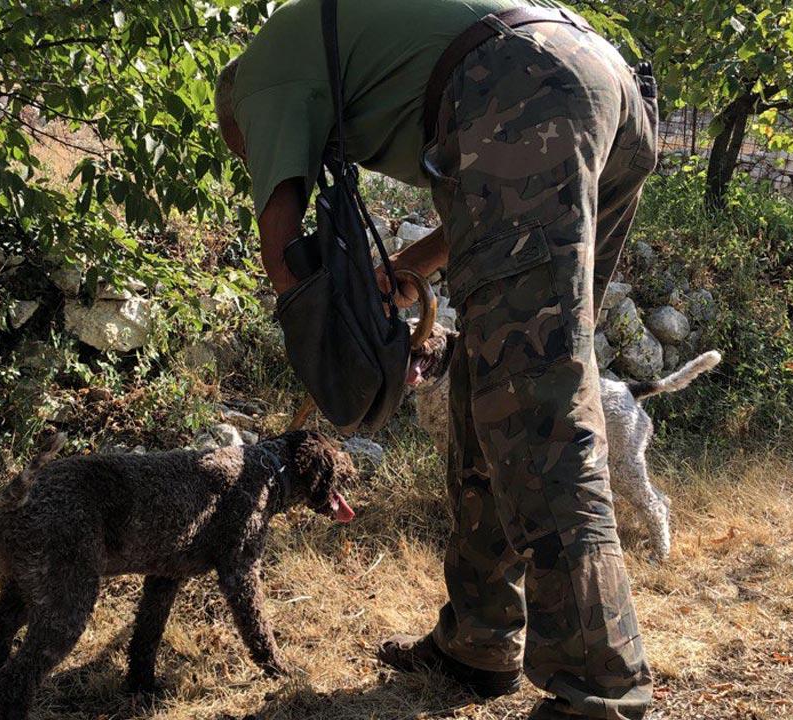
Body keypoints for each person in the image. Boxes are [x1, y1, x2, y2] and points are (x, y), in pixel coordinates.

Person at [214, 0, 658, 717]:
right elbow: (482, 205)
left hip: (521, 86)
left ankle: (599, 687)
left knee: (535, 404)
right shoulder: (371, 50)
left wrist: (341, 367)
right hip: (601, 87)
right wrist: (401, 277)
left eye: (247, 150)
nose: (254, 155)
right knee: (497, 382)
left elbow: (284, 254)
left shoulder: (258, 79)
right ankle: (481, 641)